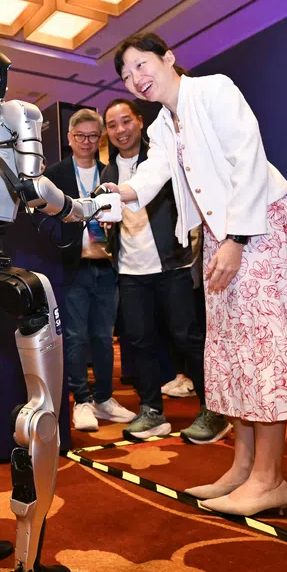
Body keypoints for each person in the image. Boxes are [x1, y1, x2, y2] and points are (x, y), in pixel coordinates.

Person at [102, 32, 287, 517]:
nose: (137, 79)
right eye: (127, 75)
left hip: (255, 229)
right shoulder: (164, 124)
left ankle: (271, 479)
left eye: (142, 65)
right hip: (220, 236)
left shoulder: (213, 90)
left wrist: (235, 239)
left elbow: (248, 160)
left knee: (265, 348)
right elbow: (154, 172)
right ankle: (245, 468)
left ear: (169, 59)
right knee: (235, 350)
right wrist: (119, 193)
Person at [102, 98, 230, 444]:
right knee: (139, 341)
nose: (120, 130)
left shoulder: (161, 157)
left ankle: (213, 409)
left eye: (125, 121)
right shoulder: (107, 173)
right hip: (130, 271)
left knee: (187, 338)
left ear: (140, 122)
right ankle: (151, 410)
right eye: (112, 125)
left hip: (172, 263)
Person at [43, 109, 135, 432]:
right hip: (73, 264)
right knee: (75, 336)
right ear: (69, 139)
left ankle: (104, 398)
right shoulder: (54, 175)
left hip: (107, 263)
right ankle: (80, 400)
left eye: (93, 136)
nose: (86, 142)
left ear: (100, 139)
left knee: (104, 337)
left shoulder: (112, 173)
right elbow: (44, 220)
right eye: (80, 136)